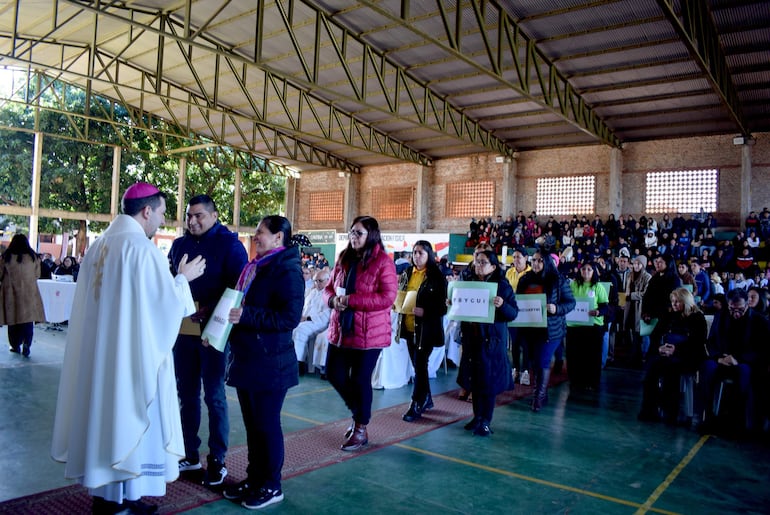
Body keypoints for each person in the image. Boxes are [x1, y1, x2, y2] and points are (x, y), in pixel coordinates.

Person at [51, 182, 205, 514]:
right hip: (130, 360)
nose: (162, 222)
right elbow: (161, 307)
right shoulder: (142, 250)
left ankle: (113, 500)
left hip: (99, 358)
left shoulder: (98, 246)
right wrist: (183, 280)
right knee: (129, 421)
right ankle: (121, 502)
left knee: (104, 421)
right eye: (162, 213)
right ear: (146, 211)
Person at [221, 216, 305, 510]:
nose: (255, 237)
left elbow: (289, 318)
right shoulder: (255, 267)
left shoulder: (287, 270)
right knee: (253, 426)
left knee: (267, 425)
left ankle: (271, 485)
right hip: (248, 357)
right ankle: (254, 479)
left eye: (261, 233)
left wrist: (247, 316)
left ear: (279, 238)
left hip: (271, 361)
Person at [167, 194, 248, 485]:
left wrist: (212, 316)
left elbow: (240, 288)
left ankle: (217, 459)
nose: (192, 220)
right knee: (185, 392)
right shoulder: (179, 245)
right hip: (186, 325)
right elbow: (169, 282)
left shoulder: (230, 245)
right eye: (189, 215)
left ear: (214, 216)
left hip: (215, 326)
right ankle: (188, 452)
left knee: (214, 395)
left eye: (199, 215)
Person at [323, 216, 398, 451]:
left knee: (359, 380)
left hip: (369, 333)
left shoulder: (383, 262)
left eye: (358, 233)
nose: (353, 237)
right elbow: (328, 288)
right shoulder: (344, 258)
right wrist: (333, 300)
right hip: (341, 328)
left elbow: (388, 297)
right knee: (334, 373)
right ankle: (359, 414)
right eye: (351, 232)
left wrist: (352, 300)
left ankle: (361, 428)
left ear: (371, 235)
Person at [453, 250, 518, 435]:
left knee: (488, 384)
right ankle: (476, 417)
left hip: (491, 342)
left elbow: (513, 314)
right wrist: (453, 303)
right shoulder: (469, 284)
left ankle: (485, 420)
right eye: (476, 262)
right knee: (474, 380)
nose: (478, 265)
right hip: (472, 339)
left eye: (483, 262)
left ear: (493, 266)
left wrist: (502, 305)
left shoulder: (503, 286)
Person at [697, 288, 770, 434]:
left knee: (744, 373)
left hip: (745, 361)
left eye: (740, 310)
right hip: (721, 358)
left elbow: (763, 349)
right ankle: (707, 416)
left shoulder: (759, 320)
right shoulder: (721, 315)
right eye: (732, 309)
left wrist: (738, 359)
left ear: (747, 304)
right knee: (707, 368)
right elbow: (710, 342)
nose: (736, 314)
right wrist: (718, 357)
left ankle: (737, 422)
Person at [516, 249, 575, 412]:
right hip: (530, 328)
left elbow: (571, 302)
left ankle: (538, 397)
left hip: (551, 330)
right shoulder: (525, 279)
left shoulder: (558, 280)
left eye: (540, 261)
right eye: (533, 260)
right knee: (535, 362)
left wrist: (557, 308)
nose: (535, 263)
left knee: (542, 360)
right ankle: (543, 394)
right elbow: (518, 301)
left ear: (547, 262)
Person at [638, 288, 707, 424]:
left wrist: (676, 349)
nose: (674, 304)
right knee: (652, 368)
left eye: (678, 302)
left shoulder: (698, 318)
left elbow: (697, 342)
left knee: (671, 369)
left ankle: (670, 411)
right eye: (673, 301)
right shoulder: (669, 315)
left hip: (688, 355)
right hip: (666, 352)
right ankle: (650, 409)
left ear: (686, 302)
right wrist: (659, 347)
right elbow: (656, 335)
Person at [397, 241, 448, 422]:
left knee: (420, 366)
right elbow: (400, 294)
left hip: (426, 330)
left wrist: (426, 311)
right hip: (409, 327)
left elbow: (443, 307)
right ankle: (427, 398)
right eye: (414, 252)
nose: (416, 256)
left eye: (420, 253)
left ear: (429, 255)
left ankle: (416, 403)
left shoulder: (436, 276)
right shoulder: (408, 273)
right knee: (419, 367)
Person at [0, 234, 46, 357]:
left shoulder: (6, 257)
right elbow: (37, 275)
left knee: (13, 320)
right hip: (29, 293)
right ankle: (27, 344)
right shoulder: (34, 258)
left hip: (11, 292)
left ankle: (15, 345)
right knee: (27, 320)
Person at [566, 260, 609, 390]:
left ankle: (591, 382)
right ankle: (575, 380)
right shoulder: (573, 285)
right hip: (575, 326)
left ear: (594, 271)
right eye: (583, 269)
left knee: (592, 356)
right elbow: (567, 300)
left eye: (589, 269)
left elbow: (605, 307)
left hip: (593, 326)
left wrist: (598, 312)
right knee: (575, 354)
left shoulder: (598, 287)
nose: (586, 272)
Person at [293, 268, 332, 373]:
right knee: (292, 328)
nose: (317, 283)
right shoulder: (312, 292)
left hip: (318, 323)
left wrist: (307, 318)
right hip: (306, 320)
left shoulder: (329, 294)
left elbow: (326, 314)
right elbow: (304, 307)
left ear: (328, 280)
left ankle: (298, 364)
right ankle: (291, 362)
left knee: (299, 331)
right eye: (315, 281)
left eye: (320, 281)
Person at [505, 246, 531, 383]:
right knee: (515, 342)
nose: (516, 260)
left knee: (526, 343)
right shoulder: (509, 272)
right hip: (513, 312)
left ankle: (525, 370)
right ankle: (515, 368)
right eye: (514, 257)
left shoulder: (532, 273)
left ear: (526, 258)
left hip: (527, 313)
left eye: (518, 257)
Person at [624, 255, 652, 366]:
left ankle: (641, 358)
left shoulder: (647, 277)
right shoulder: (630, 275)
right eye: (634, 263)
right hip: (629, 307)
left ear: (643, 265)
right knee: (631, 332)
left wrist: (632, 295)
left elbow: (646, 294)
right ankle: (633, 357)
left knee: (640, 335)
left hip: (640, 308)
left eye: (638, 264)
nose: (636, 266)